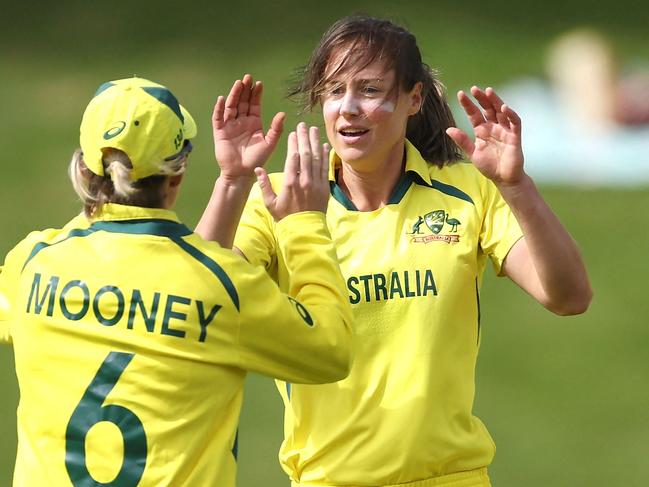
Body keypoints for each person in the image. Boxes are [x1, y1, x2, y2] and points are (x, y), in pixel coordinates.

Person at [197, 15, 593, 487]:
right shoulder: (284, 200)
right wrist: (233, 180)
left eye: (369, 89)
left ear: (414, 99)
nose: (348, 108)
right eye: (334, 90)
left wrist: (516, 185)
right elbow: (201, 301)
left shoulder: (470, 189)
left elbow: (569, 297)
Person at [0, 76, 353, 486]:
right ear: (176, 177)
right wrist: (304, 223)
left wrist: (233, 182)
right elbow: (329, 351)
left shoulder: (32, 265)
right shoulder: (220, 286)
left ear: (83, 166)